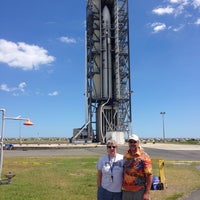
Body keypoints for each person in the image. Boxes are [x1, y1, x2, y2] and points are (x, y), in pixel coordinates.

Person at [122, 134, 152, 200]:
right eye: (130, 142)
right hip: (126, 190)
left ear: (138, 143)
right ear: (128, 143)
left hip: (139, 191)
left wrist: (147, 193)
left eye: (134, 142)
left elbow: (149, 175)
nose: (132, 144)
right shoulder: (126, 155)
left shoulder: (144, 156)